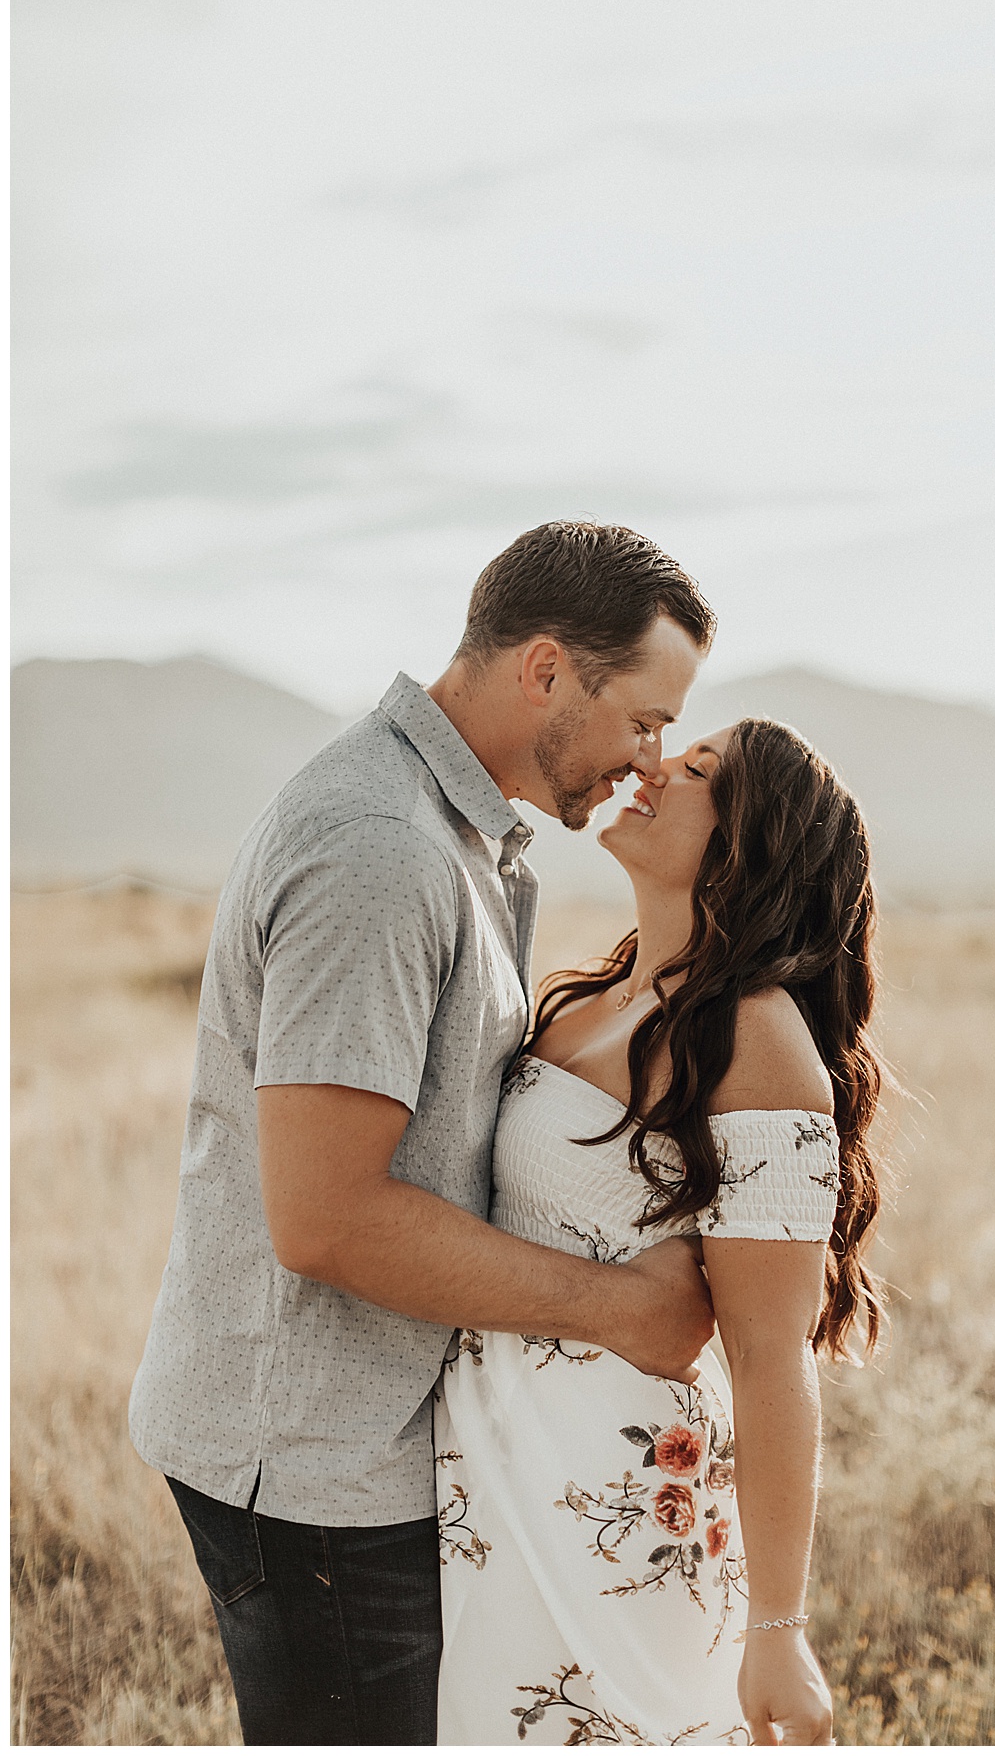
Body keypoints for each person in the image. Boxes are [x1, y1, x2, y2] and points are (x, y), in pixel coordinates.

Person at [128, 521, 720, 1745]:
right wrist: (623, 1306)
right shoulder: (383, 852)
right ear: (546, 670)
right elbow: (328, 1215)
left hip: (360, 1448)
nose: (648, 757)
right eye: (646, 717)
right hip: (313, 1468)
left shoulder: (459, 831)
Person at [435, 717, 886, 1746]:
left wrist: (780, 1626)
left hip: (619, 1503)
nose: (652, 767)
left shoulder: (755, 1038)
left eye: (696, 772)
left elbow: (773, 1356)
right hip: (494, 1482)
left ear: (747, 843)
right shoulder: (592, 995)